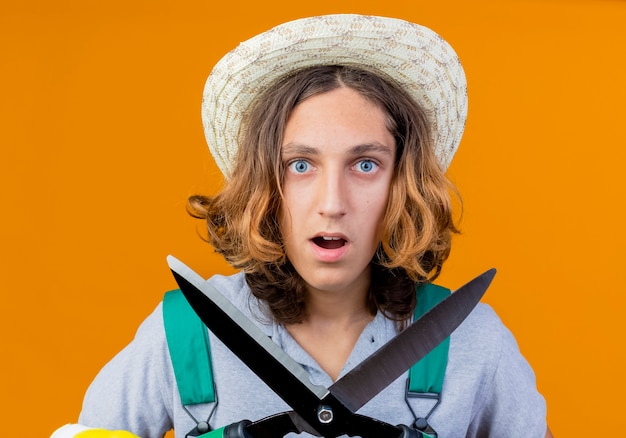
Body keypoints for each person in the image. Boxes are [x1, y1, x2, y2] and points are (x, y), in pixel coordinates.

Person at [51, 14, 552, 438]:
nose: (332, 204)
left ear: (404, 184)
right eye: (300, 165)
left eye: (365, 165)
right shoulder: (186, 336)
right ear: (264, 185)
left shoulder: (474, 341)